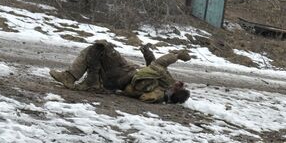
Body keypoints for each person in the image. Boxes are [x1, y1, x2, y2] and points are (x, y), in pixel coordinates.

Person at [49, 40, 193, 104]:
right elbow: (151, 70)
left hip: (122, 75)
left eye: (181, 87)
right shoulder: (163, 88)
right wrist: (148, 54)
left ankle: (85, 80)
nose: (180, 84)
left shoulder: (160, 92)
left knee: (100, 48)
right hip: (123, 73)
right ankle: (77, 78)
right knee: (96, 49)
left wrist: (177, 55)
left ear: (175, 92)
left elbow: (157, 66)